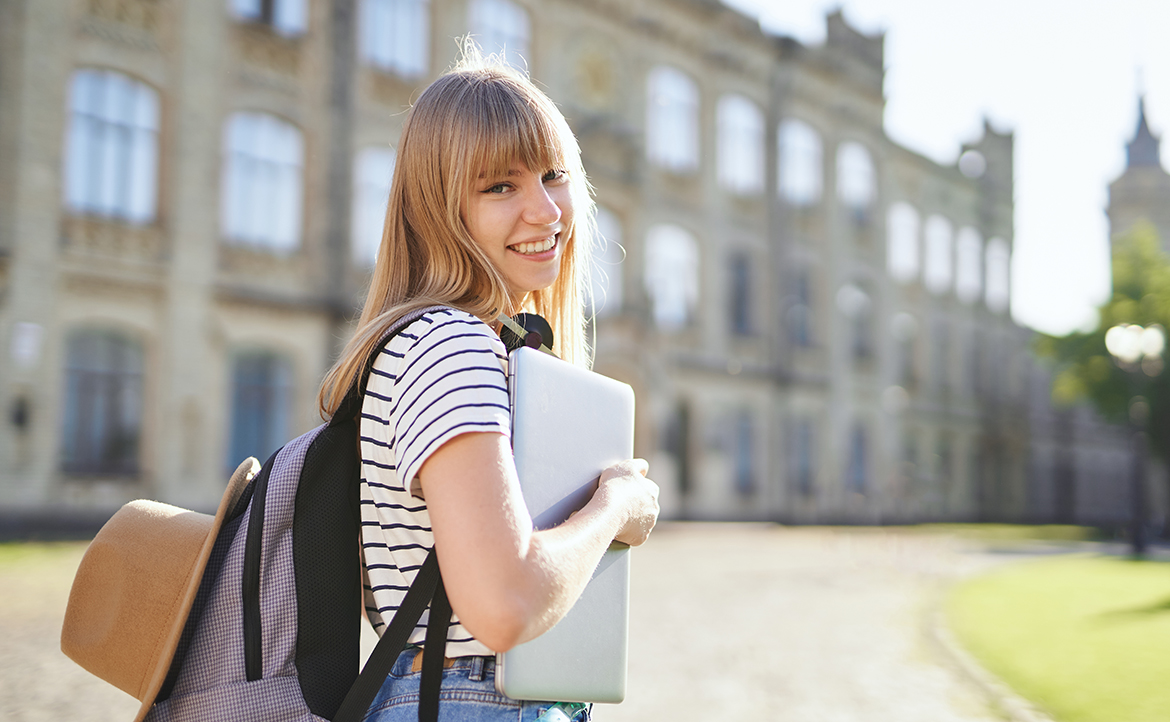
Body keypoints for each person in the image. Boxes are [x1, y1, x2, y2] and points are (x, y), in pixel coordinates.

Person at [316, 49, 661, 722]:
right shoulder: (451, 344)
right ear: (437, 209)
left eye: (554, 176)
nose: (545, 210)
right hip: (472, 700)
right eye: (500, 187)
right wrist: (615, 506)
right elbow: (504, 604)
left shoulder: (450, 342)